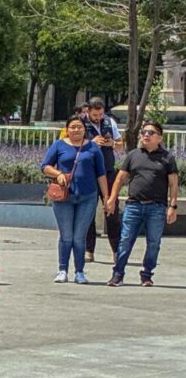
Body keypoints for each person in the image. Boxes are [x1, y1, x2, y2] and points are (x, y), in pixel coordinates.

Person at [106, 121, 179, 286]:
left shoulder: (167, 158)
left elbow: (174, 184)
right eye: (144, 132)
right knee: (125, 240)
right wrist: (111, 199)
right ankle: (118, 274)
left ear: (159, 137)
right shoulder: (133, 155)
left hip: (156, 207)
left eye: (151, 133)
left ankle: (146, 275)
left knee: (154, 243)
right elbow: (120, 179)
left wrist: (173, 206)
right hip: (134, 205)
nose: (146, 135)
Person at [42, 116, 109, 283]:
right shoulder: (59, 145)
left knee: (79, 236)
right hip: (64, 197)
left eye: (79, 127)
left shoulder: (93, 147)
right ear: (67, 129)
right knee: (66, 235)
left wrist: (106, 197)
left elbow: (101, 174)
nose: (76, 130)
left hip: (87, 196)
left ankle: (79, 271)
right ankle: (62, 270)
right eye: (73, 127)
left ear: (84, 129)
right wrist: (58, 174)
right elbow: (45, 166)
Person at [82, 97, 123, 262]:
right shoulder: (80, 124)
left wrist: (112, 143)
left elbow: (120, 145)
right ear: (88, 111)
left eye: (100, 114)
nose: (98, 118)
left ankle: (117, 251)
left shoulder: (109, 122)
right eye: (95, 115)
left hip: (108, 172)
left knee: (112, 210)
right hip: (89, 173)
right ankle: (89, 250)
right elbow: (72, 146)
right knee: (88, 212)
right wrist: (91, 143)